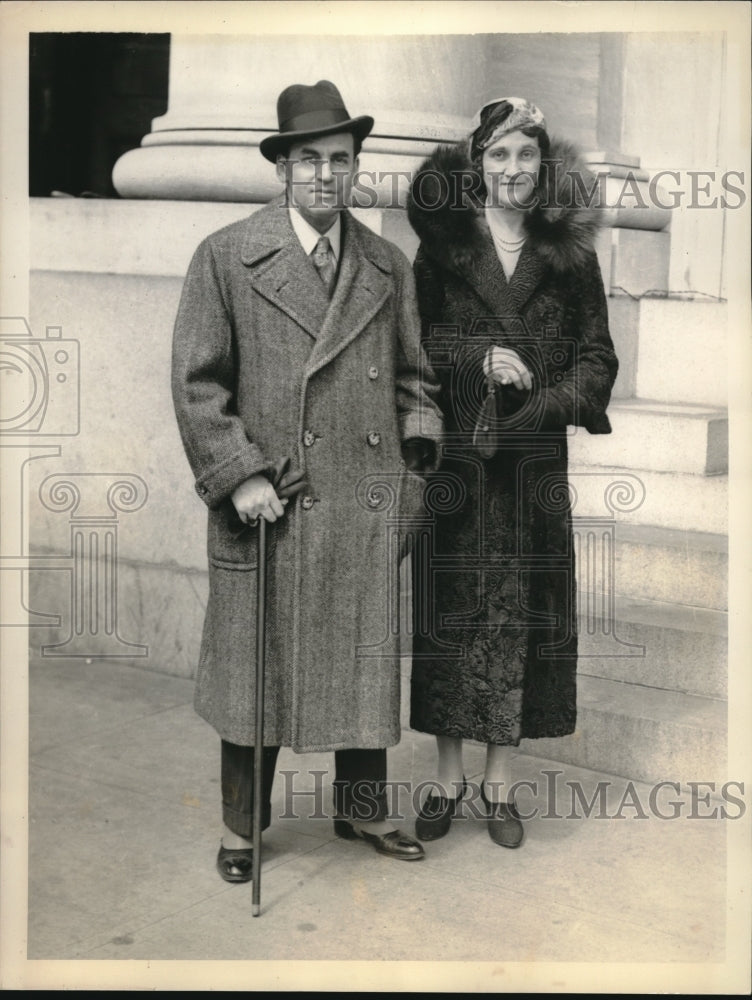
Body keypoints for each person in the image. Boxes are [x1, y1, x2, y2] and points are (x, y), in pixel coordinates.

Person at [171, 79, 444, 881]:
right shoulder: (225, 256)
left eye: (341, 160)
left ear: (355, 168)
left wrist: (412, 470)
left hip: (364, 504)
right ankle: (240, 830)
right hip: (270, 507)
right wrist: (239, 475)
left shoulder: (388, 265)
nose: (327, 176)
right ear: (282, 169)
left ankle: (362, 813)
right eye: (311, 160)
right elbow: (198, 384)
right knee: (256, 674)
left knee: (360, 665)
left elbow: (416, 382)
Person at [406, 97, 618, 848]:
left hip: (533, 465)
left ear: (544, 162)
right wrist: (474, 361)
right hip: (460, 460)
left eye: (526, 155)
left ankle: (499, 785)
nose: (513, 171)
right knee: (453, 616)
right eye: (498, 155)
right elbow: (416, 345)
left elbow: (599, 357)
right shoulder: (442, 251)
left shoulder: (571, 255)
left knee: (521, 617)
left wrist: (546, 399)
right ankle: (446, 777)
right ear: (477, 163)